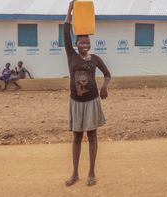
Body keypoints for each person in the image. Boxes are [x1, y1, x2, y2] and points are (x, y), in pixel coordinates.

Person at [64, 0, 111, 187]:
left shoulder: (95, 59)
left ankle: (91, 172)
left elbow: (107, 74)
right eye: (81, 42)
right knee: (77, 137)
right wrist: (70, 9)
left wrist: (104, 86)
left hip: (92, 101)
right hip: (75, 102)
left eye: (87, 42)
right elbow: (65, 32)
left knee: (92, 136)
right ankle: (75, 173)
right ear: (76, 44)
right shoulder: (71, 55)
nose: (85, 45)